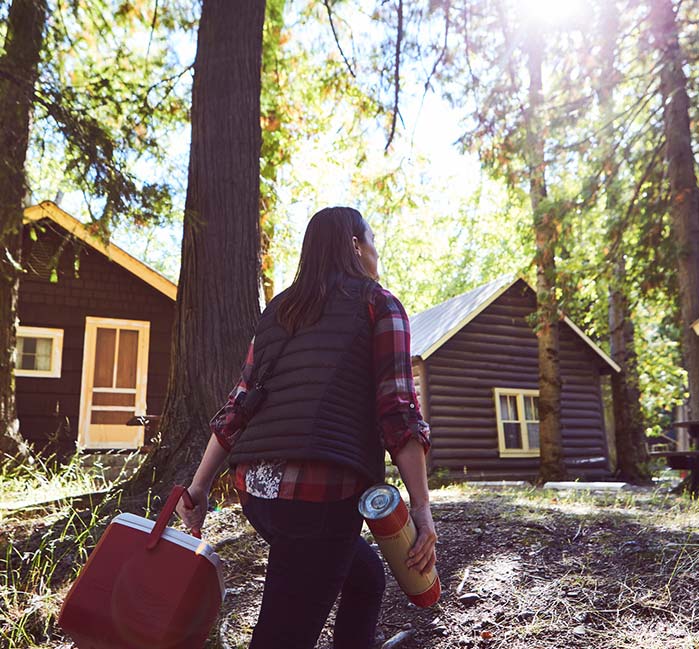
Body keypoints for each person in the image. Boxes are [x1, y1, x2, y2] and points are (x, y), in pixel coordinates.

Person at [176, 206, 437, 649]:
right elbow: (397, 411)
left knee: (366, 576)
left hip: (257, 495)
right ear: (356, 246)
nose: (376, 252)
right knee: (283, 635)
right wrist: (422, 508)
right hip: (321, 497)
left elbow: (238, 404)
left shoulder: (280, 310)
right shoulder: (379, 304)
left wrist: (199, 488)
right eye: (372, 240)